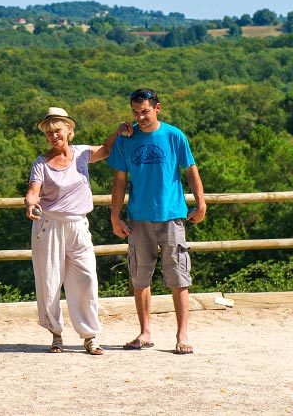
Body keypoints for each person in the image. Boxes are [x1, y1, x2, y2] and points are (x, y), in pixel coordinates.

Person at [107, 88, 206, 355]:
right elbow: (119, 181)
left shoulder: (175, 135)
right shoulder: (125, 140)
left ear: (157, 108)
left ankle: (182, 334)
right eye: (136, 112)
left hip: (172, 214)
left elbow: (191, 170)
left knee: (179, 275)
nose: (140, 117)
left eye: (145, 111)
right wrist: (115, 216)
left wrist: (201, 202)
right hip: (139, 217)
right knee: (140, 276)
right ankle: (145, 332)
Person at [25, 107, 129, 355]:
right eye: (49, 133)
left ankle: (90, 335)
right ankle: (56, 334)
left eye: (57, 130)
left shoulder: (82, 154)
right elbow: (33, 190)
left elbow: (106, 150)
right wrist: (31, 203)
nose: (53, 136)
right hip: (49, 226)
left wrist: (119, 131)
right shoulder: (41, 163)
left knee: (85, 278)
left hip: (78, 225)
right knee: (50, 281)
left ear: (69, 131)